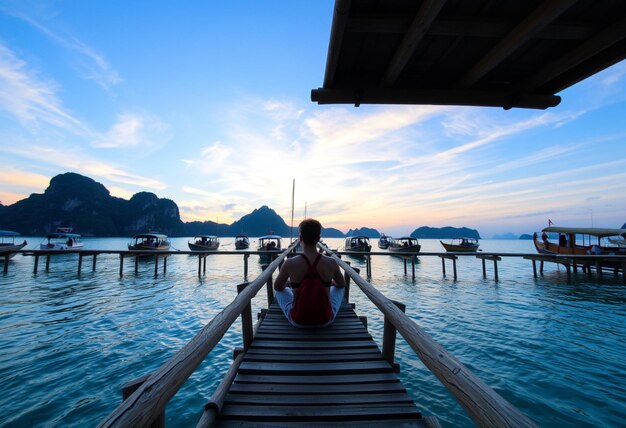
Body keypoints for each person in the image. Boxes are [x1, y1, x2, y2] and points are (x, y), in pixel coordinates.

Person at [274, 218, 346, 328]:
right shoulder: (331, 262)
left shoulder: (289, 263)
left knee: (279, 293)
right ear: (318, 238)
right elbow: (341, 284)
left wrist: (289, 284)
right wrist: (331, 283)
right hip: (325, 320)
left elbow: (278, 287)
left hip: (298, 321)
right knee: (340, 289)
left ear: (300, 238)